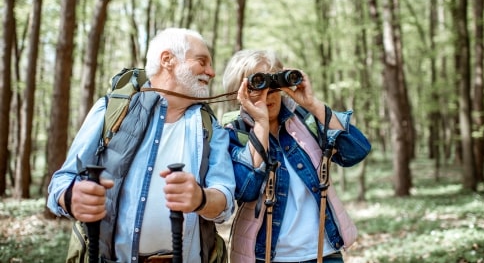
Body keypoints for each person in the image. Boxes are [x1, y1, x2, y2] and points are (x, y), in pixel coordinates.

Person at [47, 28, 235, 263]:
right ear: (167, 60)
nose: (212, 72)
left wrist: (201, 198)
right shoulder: (110, 110)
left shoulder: (210, 126)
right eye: (202, 61)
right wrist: (72, 196)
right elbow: (60, 182)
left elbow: (225, 201)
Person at [222, 49, 371, 263]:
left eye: (274, 84)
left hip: (324, 252)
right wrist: (261, 125)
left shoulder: (305, 120)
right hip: (266, 256)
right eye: (258, 84)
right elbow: (246, 189)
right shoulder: (234, 133)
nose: (268, 94)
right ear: (238, 92)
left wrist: (312, 104)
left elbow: (356, 151)